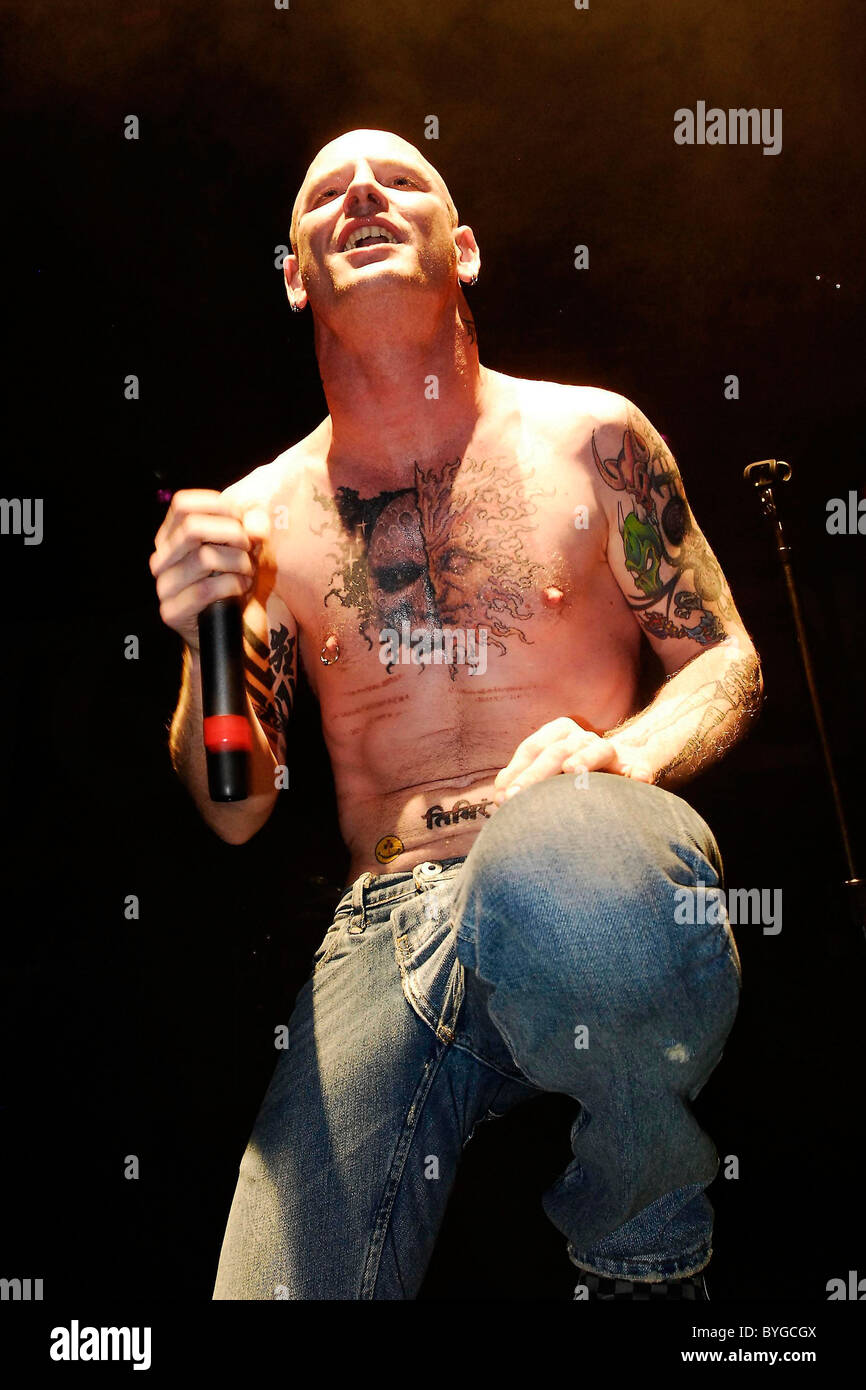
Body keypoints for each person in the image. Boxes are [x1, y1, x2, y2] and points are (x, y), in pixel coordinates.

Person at [149, 128, 763, 1300]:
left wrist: (621, 753)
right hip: (382, 919)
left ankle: (641, 1251)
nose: (360, 194)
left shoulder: (592, 437)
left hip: (582, 855)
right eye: (325, 192)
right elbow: (235, 811)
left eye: (397, 179)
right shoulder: (256, 515)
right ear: (293, 275)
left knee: (569, 848)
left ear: (464, 249)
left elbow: (726, 657)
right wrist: (205, 645)